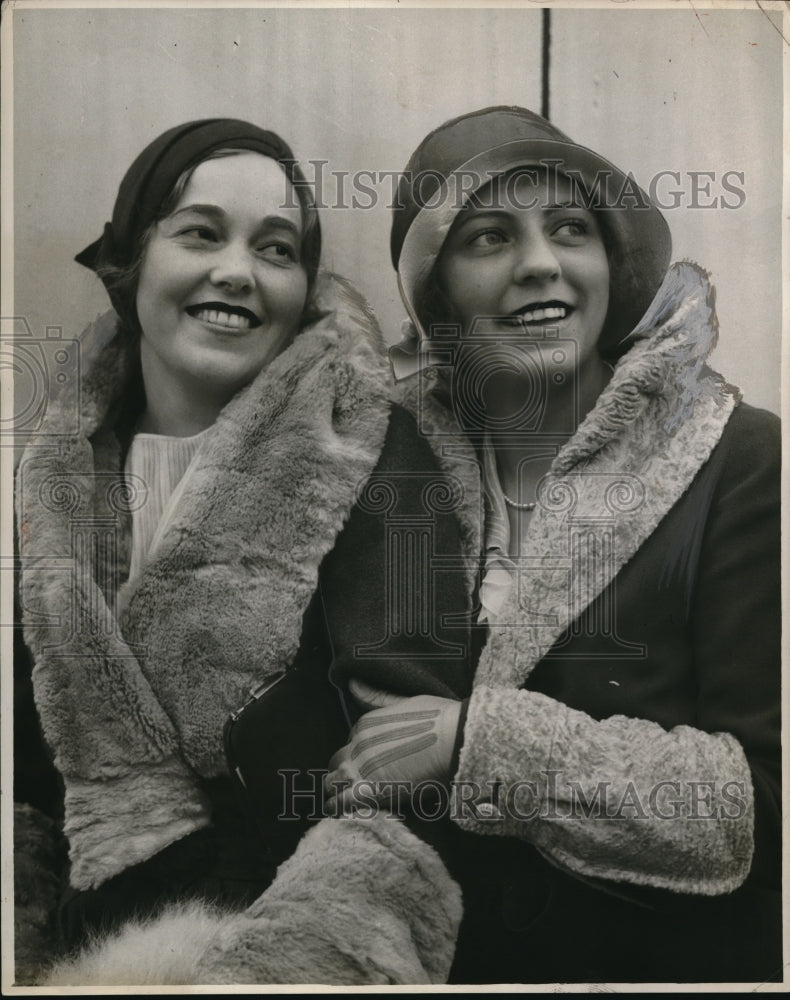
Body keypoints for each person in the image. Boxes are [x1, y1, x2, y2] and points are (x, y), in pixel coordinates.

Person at [324, 106, 782, 985]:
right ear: (437, 295)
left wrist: (478, 743)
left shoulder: (738, 457)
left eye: (570, 228)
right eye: (489, 237)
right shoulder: (383, 465)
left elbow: (762, 811)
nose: (540, 263)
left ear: (611, 262)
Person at [13, 118, 471, 986]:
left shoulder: (375, 452)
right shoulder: (53, 476)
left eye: (277, 248)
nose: (237, 271)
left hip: (277, 940)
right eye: (199, 232)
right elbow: (28, 784)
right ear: (130, 260)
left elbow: (405, 776)